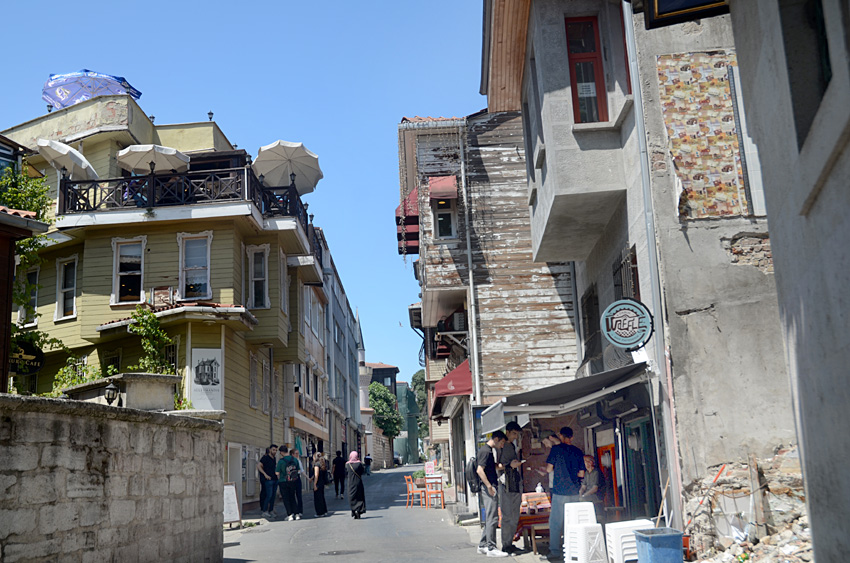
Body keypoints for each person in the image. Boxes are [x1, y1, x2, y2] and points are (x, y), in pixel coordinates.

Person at [543, 427, 586, 562]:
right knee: (572, 523)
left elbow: (549, 468)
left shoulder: (556, 450)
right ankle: (572, 550)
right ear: (572, 437)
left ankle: (555, 552)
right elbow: (581, 473)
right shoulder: (578, 451)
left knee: (555, 523)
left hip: (560, 491)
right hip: (574, 492)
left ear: (560, 436)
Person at [476, 430, 509, 558]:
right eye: (501, 442)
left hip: (489, 486)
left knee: (491, 517)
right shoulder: (486, 451)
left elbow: (491, 467)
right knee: (492, 518)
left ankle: (483, 544)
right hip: (489, 487)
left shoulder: (488, 451)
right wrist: (489, 486)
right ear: (496, 439)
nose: (502, 445)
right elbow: (480, 470)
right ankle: (491, 547)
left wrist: (505, 466)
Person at [498, 422, 526, 556]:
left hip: (515, 482)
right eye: (514, 433)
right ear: (507, 432)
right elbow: (496, 465)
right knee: (507, 516)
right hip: (505, 484)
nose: (515, 436)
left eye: (517, 434)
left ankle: (510, 543)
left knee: (515, 516)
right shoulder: (501, 446)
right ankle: (505, 545)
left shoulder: (512, 446)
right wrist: (509, 465)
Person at [276, 445, 301, 521]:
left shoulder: (281, 461)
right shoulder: (295, 459)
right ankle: (297, 514)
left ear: (281, 452)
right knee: (293, 497)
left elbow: (277, 472)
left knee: (286, 499)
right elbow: (298, 470)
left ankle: (290, 515)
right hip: (293, 481)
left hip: (283, 481)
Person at [579, 455, 605, 524]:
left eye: (584, 462)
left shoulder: (596, 472)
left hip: (596, 497)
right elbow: (583, 486)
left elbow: (594, 488)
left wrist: (584, 495)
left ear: (590, 462)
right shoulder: (586, 473)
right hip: (588, 496)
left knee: (583, 500)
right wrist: (580, 493)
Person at [258, 444, 278, 518]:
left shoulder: (274, 458)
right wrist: (265, 474)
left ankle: (271, 510)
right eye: (273, 450)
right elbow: (259, 466)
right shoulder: (265, 458)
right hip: (268, 480)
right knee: (268, 495)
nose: (275, 451)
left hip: (275, 479)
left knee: (273, 496)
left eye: (276, 450)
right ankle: (264, 511)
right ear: (270, 450)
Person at [346, 451, 367, 519]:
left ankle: (353, 511)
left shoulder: (347, 465)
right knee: (359, 497)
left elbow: (346, 472)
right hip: (358, 482)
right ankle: (359, 511)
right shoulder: (359, 464)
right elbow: (362, 471)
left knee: (352, 497)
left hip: (350, 483)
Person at [312, 452, 329, 517]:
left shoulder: (316, 464)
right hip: (322, 483)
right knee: (322, 497)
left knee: (317, 498)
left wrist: (314, 484)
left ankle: (320, 512)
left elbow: (316, 475)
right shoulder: (322, 464)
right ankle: (324, 511)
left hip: (318, 483)